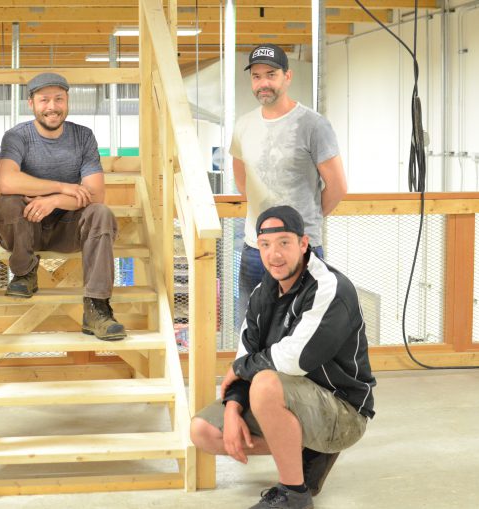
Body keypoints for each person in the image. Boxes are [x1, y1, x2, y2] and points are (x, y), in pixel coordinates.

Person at [191, 205, 375, 509]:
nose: (274, 254)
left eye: (284, 243)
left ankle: (294, 493)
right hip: (291, 400)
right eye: (265, 245)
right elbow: (246, 352)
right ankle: (307, 451)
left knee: (264, 383)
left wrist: (239, 369)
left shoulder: (330, 288)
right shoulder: (263, 292)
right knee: (203, 432)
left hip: (342, 410)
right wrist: (233, 406)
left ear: (304, 244)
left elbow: (295, 359)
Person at [0, 72, 125, 341]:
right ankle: (25, 272)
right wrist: (63, 187)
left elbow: (96, 194)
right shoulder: (16, 136)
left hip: (68, 227)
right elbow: (6, 181)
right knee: (6, 201)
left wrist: (54, 201)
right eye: (44, 100)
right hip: (25, 226)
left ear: (67, 101)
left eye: (58, 99)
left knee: (101, 213)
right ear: (31, 104)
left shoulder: (83, 136)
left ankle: (96, 307)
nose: (52, 106)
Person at [232, 43, 348, 325]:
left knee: (303, 328)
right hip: (255, 248)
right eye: (257, 76)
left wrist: (302, 224)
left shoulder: (313, 125)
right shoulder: (243, 126)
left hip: (302, 249)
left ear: (287, 76)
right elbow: (241, 179)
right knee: (252, 327)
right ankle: (253, 371)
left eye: (270, 74)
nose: (263, 83)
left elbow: (337, 186)